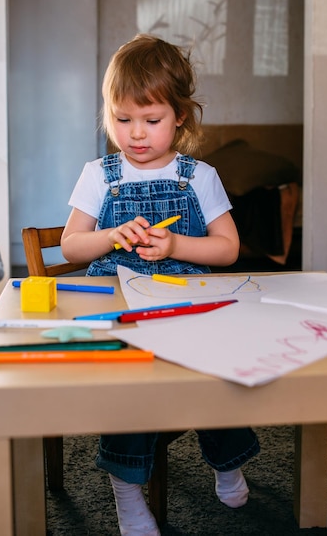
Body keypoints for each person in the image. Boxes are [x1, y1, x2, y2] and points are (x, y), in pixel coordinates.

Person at [61, 34, 260, 536]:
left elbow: (227, 248)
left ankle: (227, 458)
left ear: (180, 118)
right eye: (122, 119)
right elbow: (70, 247)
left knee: (217, 370)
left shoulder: (199, 177)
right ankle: (127, 490)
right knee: (128, 386)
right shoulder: (98, 174)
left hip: (188, 303)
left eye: (151, 121)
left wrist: (175, 248)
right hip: (120, 305)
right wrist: (107, 235)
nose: (136, 135)